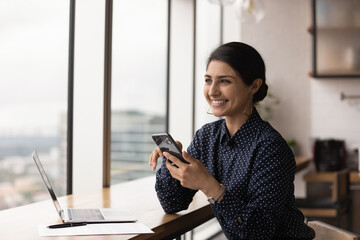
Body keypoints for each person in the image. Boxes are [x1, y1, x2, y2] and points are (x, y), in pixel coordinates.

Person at [148, 42, 315, 239]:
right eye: (208, 80)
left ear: (254, 85)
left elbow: (258, 233)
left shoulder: (270, 147)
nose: (212, 91)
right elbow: (172, 202)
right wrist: (172, 159)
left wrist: (210, 186)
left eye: (224, 81)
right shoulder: (207, 137)